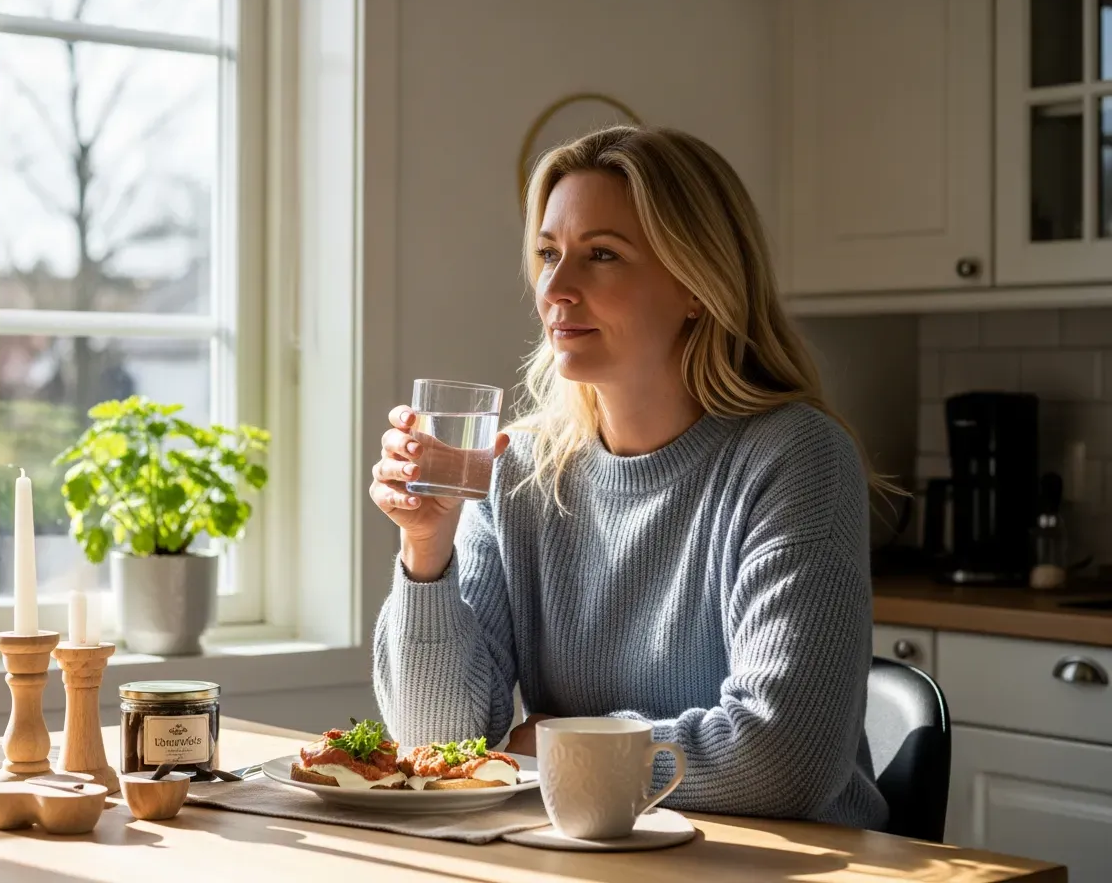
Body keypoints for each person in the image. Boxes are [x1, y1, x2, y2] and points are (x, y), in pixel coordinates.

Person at [369, 125, 888, 830]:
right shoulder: (516, 470)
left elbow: (783, 757)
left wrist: (549, 744)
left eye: (602, 255)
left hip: (794, 867)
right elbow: (439, 749)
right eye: (548, 254)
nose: (556, 288)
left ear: (698, 286)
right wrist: (426, 552)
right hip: (594, 858)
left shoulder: (795, 457)